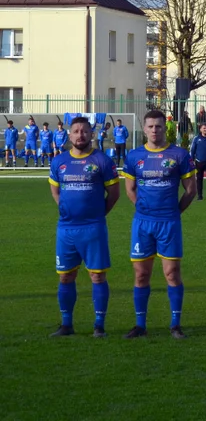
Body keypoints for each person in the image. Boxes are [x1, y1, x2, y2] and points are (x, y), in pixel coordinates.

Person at [121, 109, 197, 339]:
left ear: (165, 128)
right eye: (150, 126)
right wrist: (144, 208)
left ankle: (175, 325)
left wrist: (174, 211)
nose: (155, 130)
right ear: (144, 129)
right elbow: (130, 189)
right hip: (143, 224)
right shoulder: (134, 156)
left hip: (169, 223)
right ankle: (140, 325)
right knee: (141, 275)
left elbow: (191, 190)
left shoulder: (179, 155)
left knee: (172, 273)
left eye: (159, 126)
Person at [49, 116, 120, 337]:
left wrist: (97, 214)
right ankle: (66, 325)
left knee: (97, 276)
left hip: (93, 228)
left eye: (84, 131)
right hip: (66, 230)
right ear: (69, 135)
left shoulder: (103, 161)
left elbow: (114, 194)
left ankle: (99, 326)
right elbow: (55, 190)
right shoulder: (59, 161)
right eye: (76, 131)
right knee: (65, 277)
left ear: (92, 134)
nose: (80, 135)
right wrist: (67, 210)